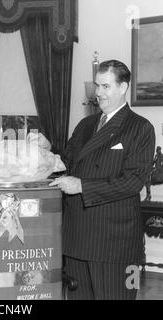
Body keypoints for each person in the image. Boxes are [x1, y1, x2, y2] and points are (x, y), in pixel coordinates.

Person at [50, 60, 155, 300]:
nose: (98, 93)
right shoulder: (86, 124)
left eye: (105, 86)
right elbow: (68, 162)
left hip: (114, 244)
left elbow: (133, 181)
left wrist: (81, 186)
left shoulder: (140, 127)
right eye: (97, 86)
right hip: (77, 238)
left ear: (123, 87)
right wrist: (49, 155)